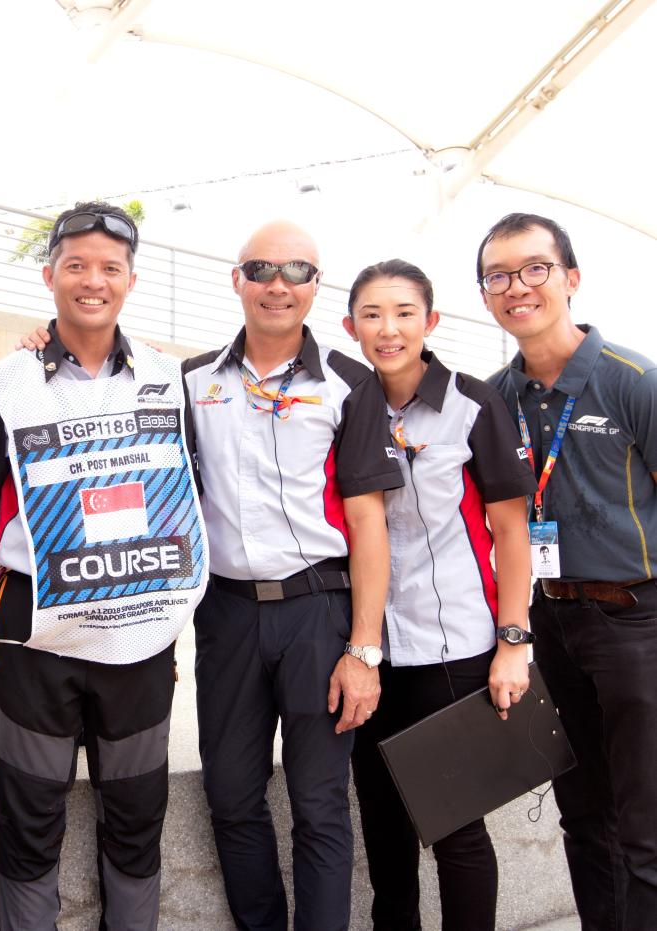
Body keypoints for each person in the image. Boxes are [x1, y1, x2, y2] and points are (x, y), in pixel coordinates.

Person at [0, 201, 207, 930]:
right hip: (35, 642)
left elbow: (188, 492)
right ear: (50, 276)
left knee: (136, 823)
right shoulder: (4, 383)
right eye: (76, 265)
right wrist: (52, 556)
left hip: (138, 647)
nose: (92, 280)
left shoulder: (171, 379)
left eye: (109, 267)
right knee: (30, 821)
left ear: (132, 279)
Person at [182, 220, 403, 931]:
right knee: (233, 796)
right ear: (237, 279)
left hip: (318, 611)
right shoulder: (190, 382)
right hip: (227, 614)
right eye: (262, 268)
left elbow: (369, 522)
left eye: (297, 270)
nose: (279, 283)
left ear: (314, 286)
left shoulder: (350, 382)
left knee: (318, 801)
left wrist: (363, 649)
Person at [341, 259, 535, 930]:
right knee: (385, 829)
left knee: (455, 829)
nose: (388, 328)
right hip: (368, 653)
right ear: (350, 325)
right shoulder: (346, 403)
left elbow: (512, 532)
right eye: (372, 314)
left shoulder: (473, 403)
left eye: (403, 312)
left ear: (431, 321)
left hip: (451, 649)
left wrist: (514, 641)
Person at [480, 213, 657, 931]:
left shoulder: (633, 382)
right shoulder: (495, 398)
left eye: (533, 269)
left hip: (635, 622)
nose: (516, 287)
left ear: (571, 279)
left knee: (646, 826)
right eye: (498, 275)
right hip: (549, 623)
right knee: (583, 817)